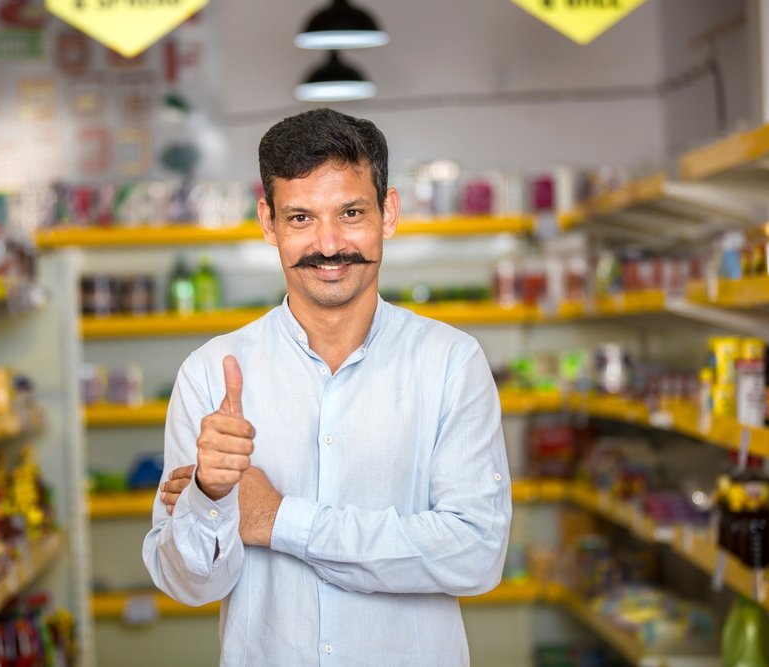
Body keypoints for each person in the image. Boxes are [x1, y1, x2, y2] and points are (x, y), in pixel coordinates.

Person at [142, 107, 511, 665]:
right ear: (268, 223)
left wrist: (275, 518)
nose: (330, 244)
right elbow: (192, 587)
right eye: (300, 219)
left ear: (388, 213)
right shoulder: (212, 372)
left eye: (351, 212)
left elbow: (476, 554)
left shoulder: (450, 363)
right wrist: (212, 500)